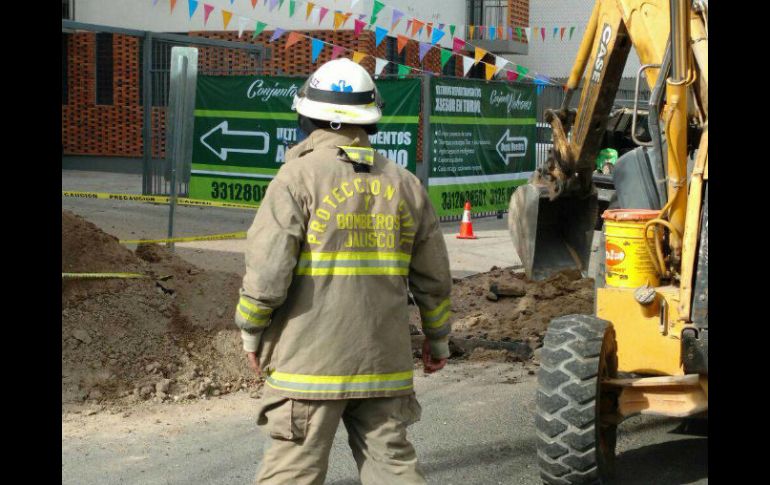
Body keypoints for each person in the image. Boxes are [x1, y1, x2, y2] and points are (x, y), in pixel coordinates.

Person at [234, 57, 453, 485]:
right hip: (382, 362)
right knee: (393, 469)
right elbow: (434, 277)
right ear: (370, 119)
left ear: (308, 115)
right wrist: (438, 339)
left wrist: (251, 329)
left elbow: (268, 271)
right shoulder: (405, 183)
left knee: (291, 473)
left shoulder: (296, 178)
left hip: (307, 366)